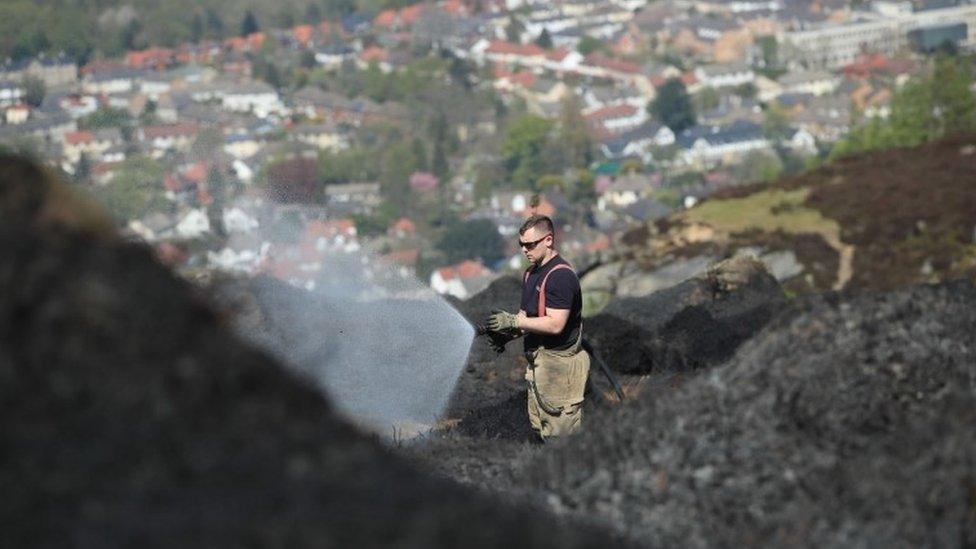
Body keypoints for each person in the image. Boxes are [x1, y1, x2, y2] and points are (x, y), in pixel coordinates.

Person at [484, 214, 590, 440]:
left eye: (530, 244)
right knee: (540, 429)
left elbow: (555, 324)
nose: (524, 250)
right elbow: (528, 317)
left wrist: (513, 321)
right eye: (521, 244)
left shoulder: (560, 277)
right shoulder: (532, 273)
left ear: (549, 240)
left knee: (561, 438)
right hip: (539, 366)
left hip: (560, 367)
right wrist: (508, 335)